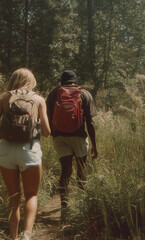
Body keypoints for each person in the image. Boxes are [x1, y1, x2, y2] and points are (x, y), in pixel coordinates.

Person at [0, 68, 51, 240]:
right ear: (31, 81)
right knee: (31, 194)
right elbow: (46, 132)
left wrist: (9, 132)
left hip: (6, 150)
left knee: (13, 197)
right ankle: (27, 235)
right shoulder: (39, 99)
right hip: (29, 150)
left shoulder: (3, 98)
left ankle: (14, 237)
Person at [46, 70, 98, 212]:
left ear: (61, 81)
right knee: (81, 168)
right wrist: (94, 144)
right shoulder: (84, 94)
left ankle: (64, 205)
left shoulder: (53, 94)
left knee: (65, 170)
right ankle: (81, 204)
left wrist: (53, 133)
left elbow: (48, 116)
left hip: (59, 137)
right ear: (76, 80)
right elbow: (90, 122)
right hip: (79, 136)